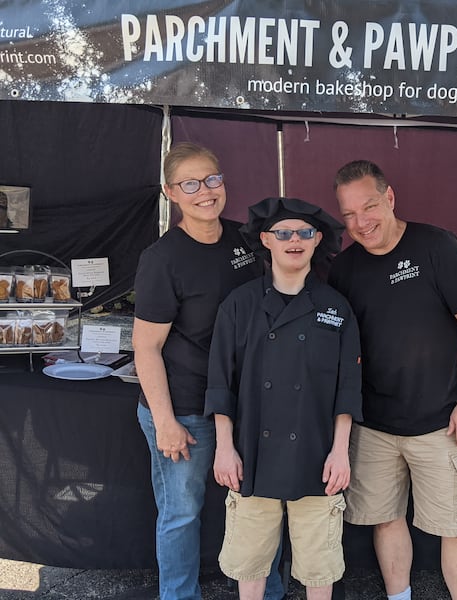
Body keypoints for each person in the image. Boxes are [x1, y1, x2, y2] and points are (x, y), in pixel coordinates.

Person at [329, 160, 457, 600]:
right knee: (385, 520)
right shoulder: (343, 269)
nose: (361, 222)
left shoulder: (436, 246)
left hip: (441, 424)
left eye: (369, 207)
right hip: (373, 427)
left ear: (390, 197)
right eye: (349, 214)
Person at [132, 142, 284, 600]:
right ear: (170, 192)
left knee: (259, 506)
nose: (205, 191)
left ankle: (268, 591)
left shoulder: (246, 240)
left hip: (248, 403)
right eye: (190, 184)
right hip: (186, 408)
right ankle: (179, 595)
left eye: (212, 179)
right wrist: (165, 422)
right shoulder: (162, 260)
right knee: (181, 513)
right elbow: (146, 347)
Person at [205, 197, 362, 600]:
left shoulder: (336, 308)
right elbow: (221, 383)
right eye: (284, 233)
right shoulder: (239, 305)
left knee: (319, 566)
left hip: (317, 454)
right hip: (252, 453)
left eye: (305, 233)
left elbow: (347, 388)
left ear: (317, 241)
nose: (295, 240)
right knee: (251, 563)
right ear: (266, 240)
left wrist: (340, 452)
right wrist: (225, 448)